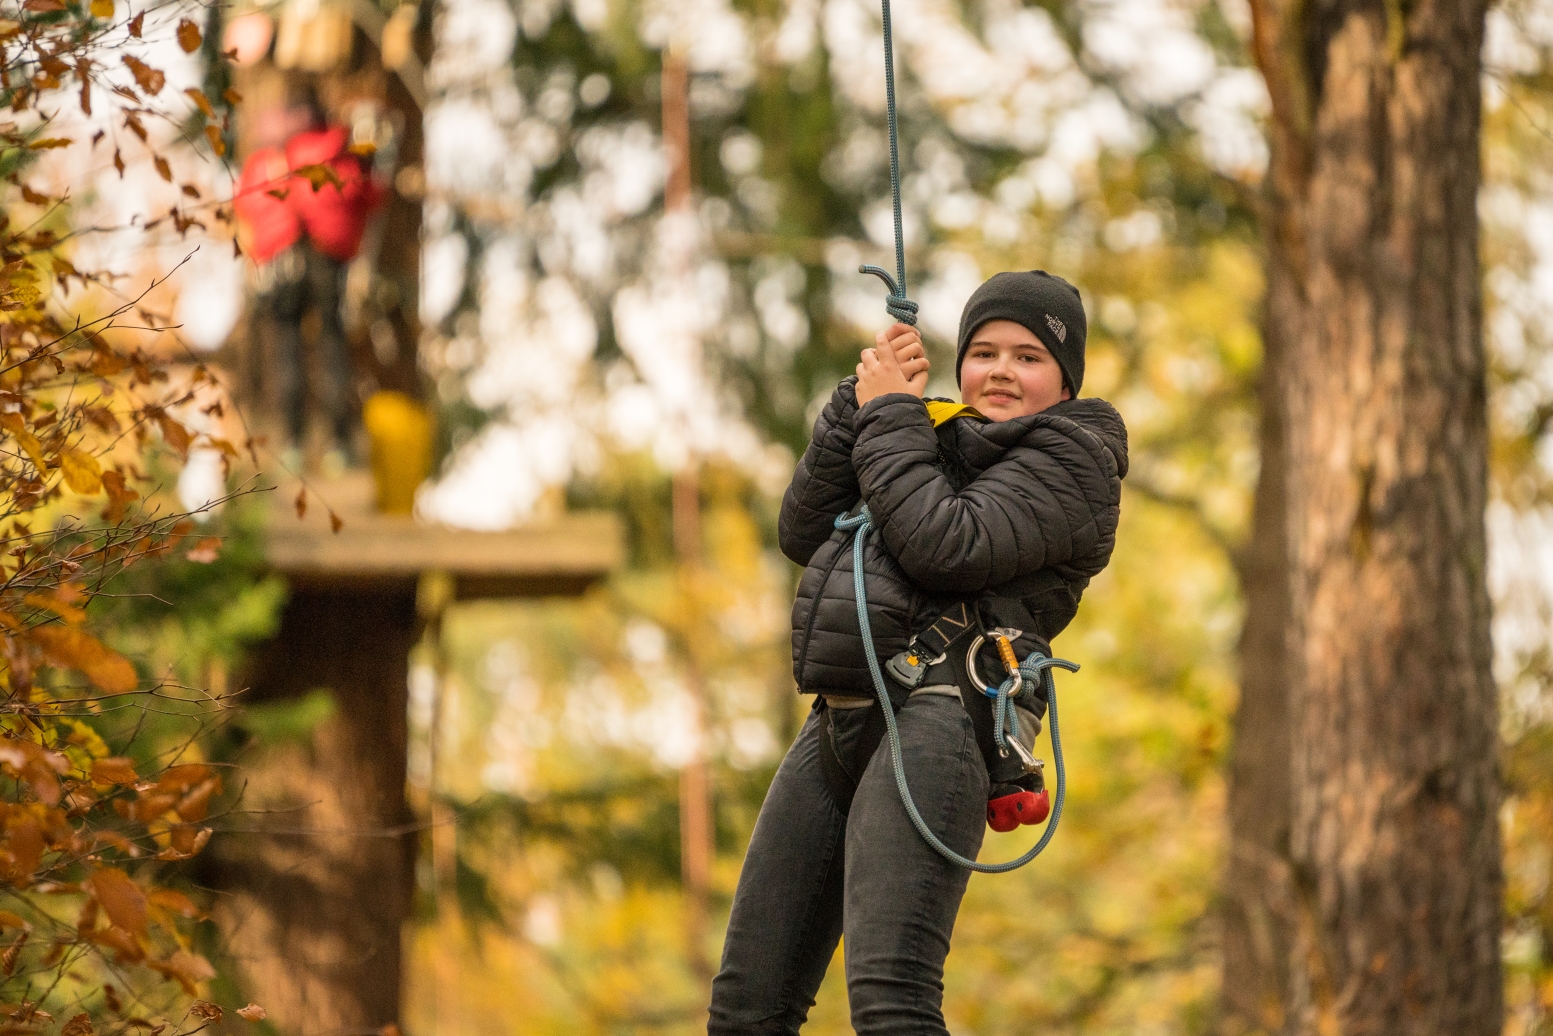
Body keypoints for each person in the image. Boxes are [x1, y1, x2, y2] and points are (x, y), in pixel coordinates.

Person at [707, 270, 1129, 1036]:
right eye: (985, 351)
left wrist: (891, 413)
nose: (1001, 370)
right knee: (745, 1010)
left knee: (890, 1002)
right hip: (839, 721)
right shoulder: (927, 430)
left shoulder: (1075, 462)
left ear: (1064, 386)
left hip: (940, 722)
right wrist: (858, 405)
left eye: (1029, 357)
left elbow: (945, 544)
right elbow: (803, 532)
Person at [234, 96, 384, 464]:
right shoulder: (344, 156)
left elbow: (246, 204)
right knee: (332, 344)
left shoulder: (271, 159)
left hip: (280, 262)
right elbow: (370, 196)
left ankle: (292, 445)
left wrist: (262, 252)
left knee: (286, 350)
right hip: (330, 261)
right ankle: (337, 445)